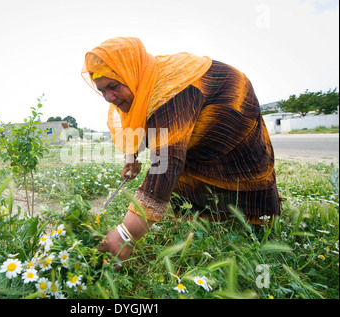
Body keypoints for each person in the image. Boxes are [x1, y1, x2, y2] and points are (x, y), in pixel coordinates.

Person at [81, 37, 283, 267]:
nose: (109, 97)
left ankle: (257, 227)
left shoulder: (167, 93)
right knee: (186, 171)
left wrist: (125, 235)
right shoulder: (138, 84)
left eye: (114, 87)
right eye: (102, 90)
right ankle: (202, 223)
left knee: (237, 167)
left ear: (128, 74)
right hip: (192, 113)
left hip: (231, 105)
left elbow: (164, 165)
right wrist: (131, 158)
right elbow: (134, 123)